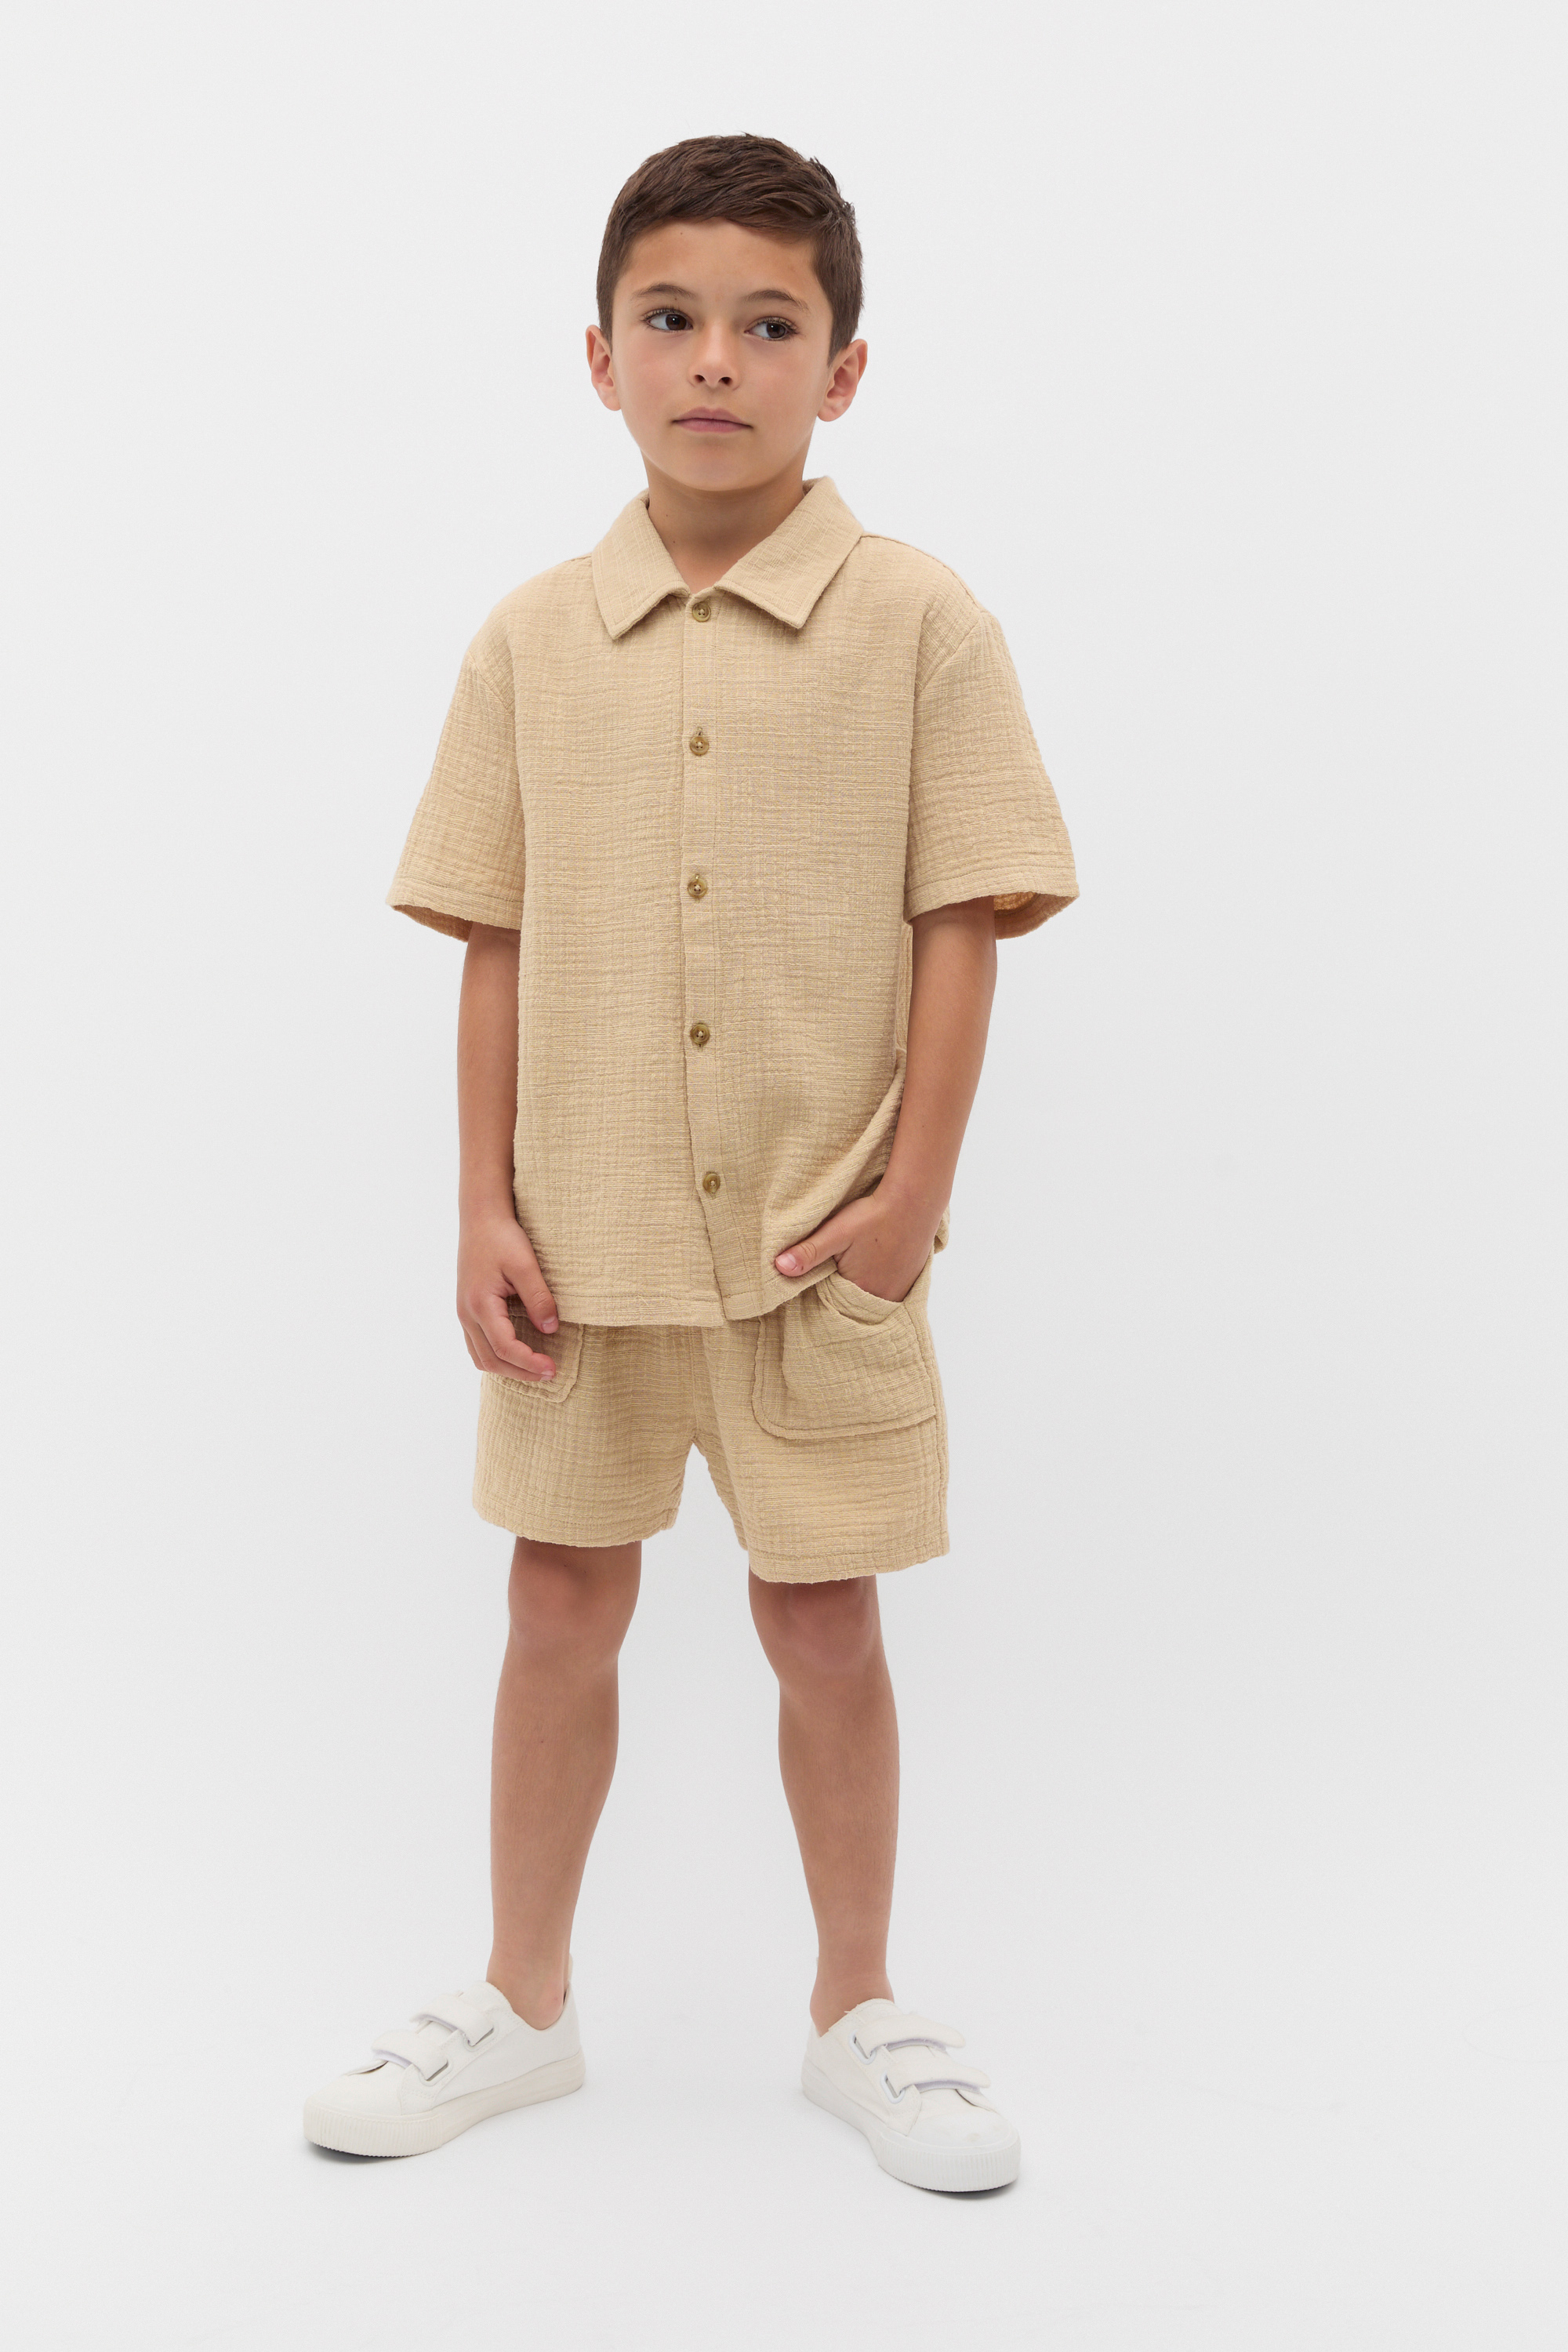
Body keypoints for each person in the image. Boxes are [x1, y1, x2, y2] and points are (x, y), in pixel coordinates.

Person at [303, 132, 1077, 2192]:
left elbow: (965, 918)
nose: (715, 359)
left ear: (845, 368)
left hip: (827, 1247)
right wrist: (479, 1205)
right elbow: (494, 935)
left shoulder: (920, 622)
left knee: (824, 1624)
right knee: (557, 1601)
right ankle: (521, 2001)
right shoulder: (528, 641)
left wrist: (912, 1201)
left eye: (768, 323)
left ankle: (859, 2007)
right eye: (670, 318)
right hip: (586, 1242)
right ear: (600, 358)